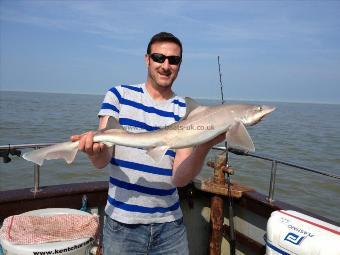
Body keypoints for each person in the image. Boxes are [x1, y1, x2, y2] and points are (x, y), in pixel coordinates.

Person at [71, 32, 224, 255]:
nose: (166, 65)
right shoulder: (119, 95)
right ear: (147, 59)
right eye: (159, 57)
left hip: (170, 226)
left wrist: (205, 145)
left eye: (174, 60)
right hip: (122, 225)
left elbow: (180, 179)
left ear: (180, 64)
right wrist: (93, 152)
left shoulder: (185, 110)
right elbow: (103, 159)